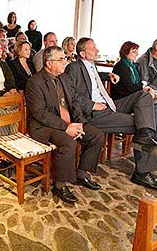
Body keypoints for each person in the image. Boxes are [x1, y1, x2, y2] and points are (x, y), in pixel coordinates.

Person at [65, 37, 157, 191]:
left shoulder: (90, 66)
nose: (97, 50)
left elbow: (92, 77)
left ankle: (145, 137)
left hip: (110, 104)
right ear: (82, 53)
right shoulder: (73, 68)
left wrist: (108, 76)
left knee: (144, 96)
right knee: (142, 125)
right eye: (93, 48)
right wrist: (93, 104)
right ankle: (142, 172)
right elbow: (71, 94)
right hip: (94, 113)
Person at [26, 46, 105, 203]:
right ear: (49, 63)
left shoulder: (65, 78)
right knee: (69, 143)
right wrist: (66, 127)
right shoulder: (34, 82)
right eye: (61, 59)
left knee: (96, 135)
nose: (65, 62)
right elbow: (40, 113)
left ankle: (81, 173)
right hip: (45, 126)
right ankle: (59, 185)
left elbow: (74, 102)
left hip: (69, 121)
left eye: (65, 58)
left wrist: (79, 123)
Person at [111, 41, 157, 153]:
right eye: (134, 51)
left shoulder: (131, 65)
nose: (137, 53)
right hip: (125, 100)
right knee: (156, 104)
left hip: (141, 96)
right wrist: (150, 89)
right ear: (126, 52)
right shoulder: (122, 65)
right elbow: (132, 87)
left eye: (137, 51)